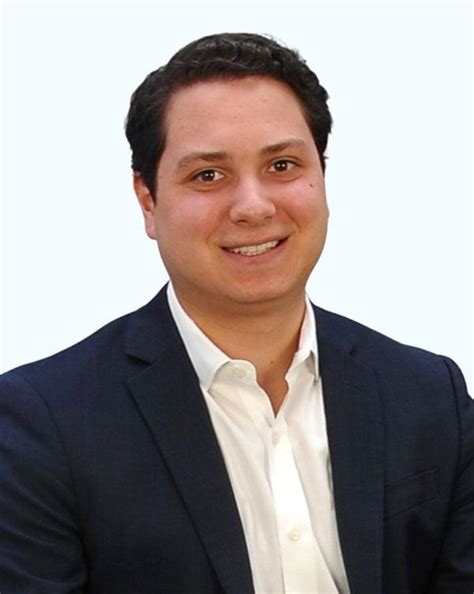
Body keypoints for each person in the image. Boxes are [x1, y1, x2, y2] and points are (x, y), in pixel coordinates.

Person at [0, 32, 472, 594]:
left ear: (322, 176)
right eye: (208, 175)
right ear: (148, 200)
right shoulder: (41, 425)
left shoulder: (429, 394)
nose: (253, 206)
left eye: (282, 165)